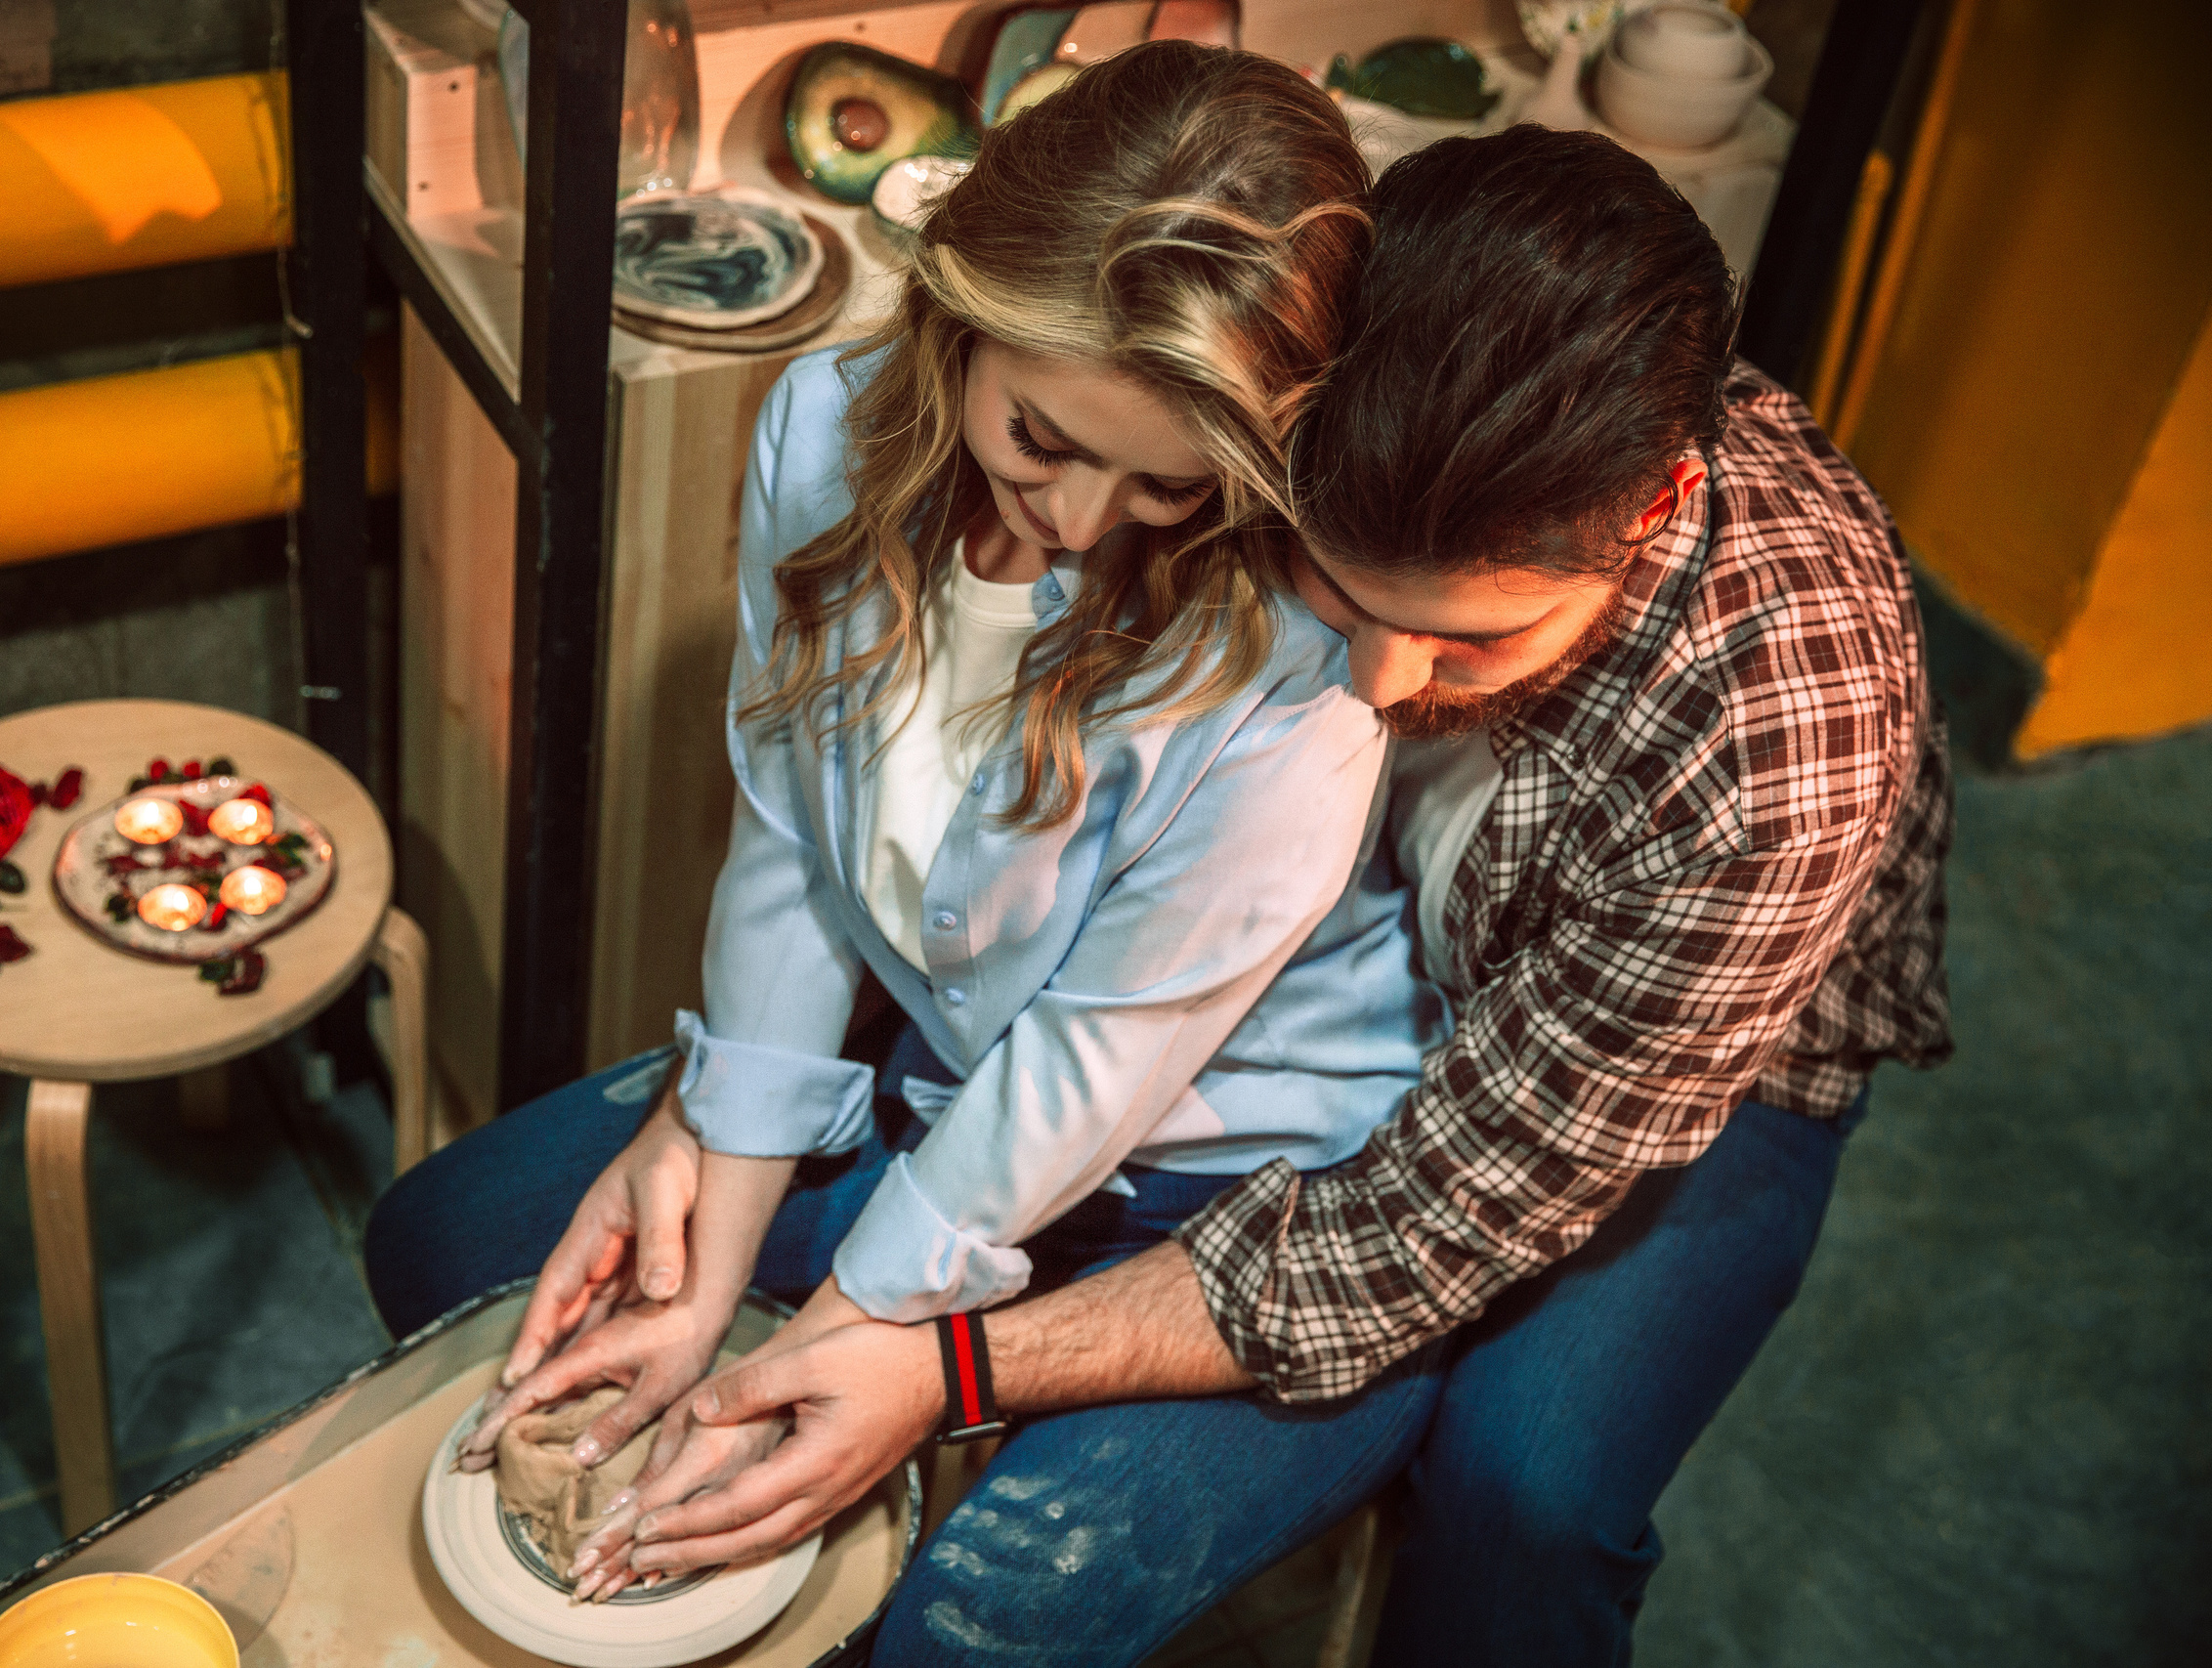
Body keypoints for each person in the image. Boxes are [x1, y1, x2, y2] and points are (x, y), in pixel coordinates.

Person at [588, 125, 1956, 1666]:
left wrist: (948, 1366)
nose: (1377, 685)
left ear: (1647, 519)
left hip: (1683, 1041)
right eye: (1339, 592)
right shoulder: (1314, 317)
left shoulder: (1772, 755)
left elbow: (1408, 1233)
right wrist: (732, 1099)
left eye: (1464, 644)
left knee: (1526, 1493)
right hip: (1330, 976)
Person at [364, 38, 1446, 1601]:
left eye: (1170, 488)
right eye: (1044, 441)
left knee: (964, 1615)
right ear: (958, 315)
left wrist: (829, 1353)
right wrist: (723, 1187)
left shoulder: (1298, 667)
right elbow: (796, 839)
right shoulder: (824, 425)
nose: (1080, 525)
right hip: (952, 1087)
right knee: (439, 1244)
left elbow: (1093, 1062)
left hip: (1235, 1179)